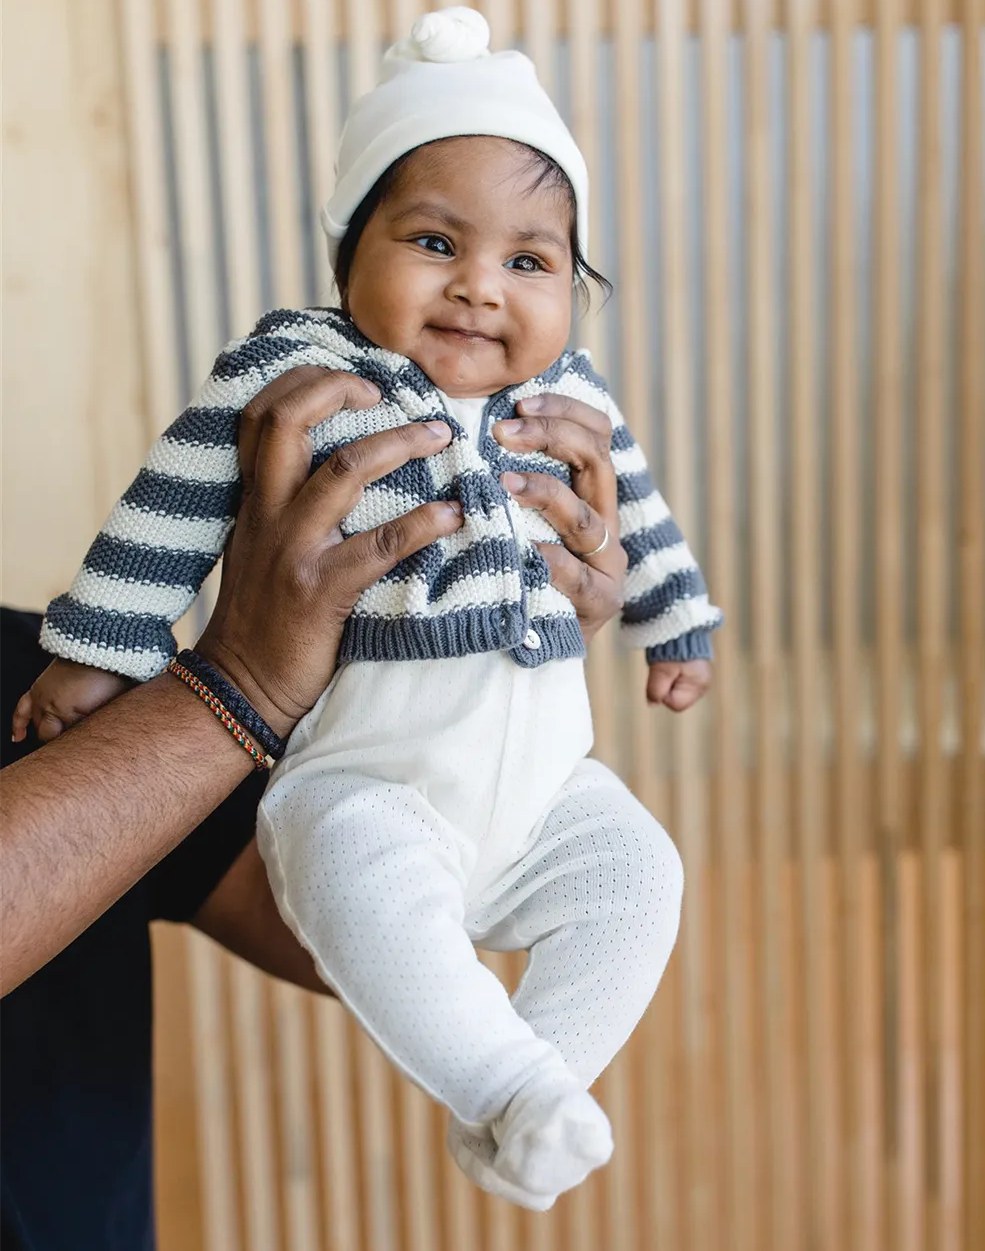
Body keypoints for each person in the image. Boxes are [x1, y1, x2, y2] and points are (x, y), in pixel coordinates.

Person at [16, 7, 722, 1211]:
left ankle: (534, 1088)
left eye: (530, 261)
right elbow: (175, 503)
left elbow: (639, 513)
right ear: (351, 252)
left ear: (575, 284)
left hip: (549, 785)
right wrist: (98, 650)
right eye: (435, 241)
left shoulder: (573, 394)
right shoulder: (303, 372)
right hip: (374, 782)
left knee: (640, 876)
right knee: (353, 870)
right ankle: (504, 1088)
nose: (480, 289)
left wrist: (672, 619)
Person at [1, 368, 624, 1251]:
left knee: (641, 876)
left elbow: (357, 923)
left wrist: (487, 696)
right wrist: (240, 681)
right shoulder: (80, 670)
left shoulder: (28, 669)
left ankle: (529, 1098)